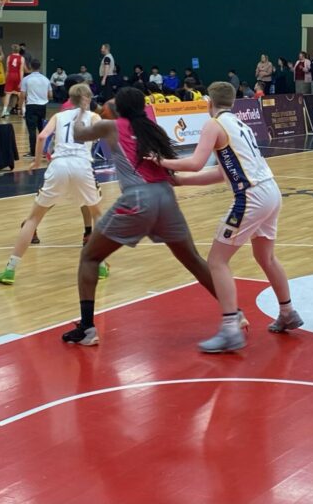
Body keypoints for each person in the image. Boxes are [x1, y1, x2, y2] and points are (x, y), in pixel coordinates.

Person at [148, 81, 301, 353]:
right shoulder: (239, 124)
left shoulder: (214, 124)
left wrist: (162, 162)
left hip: (251, 195)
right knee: (266, 257)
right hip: (271, 191)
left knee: (217, 260)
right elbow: (222, 173)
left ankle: (231, 328)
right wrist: (181, 182)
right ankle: (288, 312)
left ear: (208, 101)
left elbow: (195, 162)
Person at [61, 87, 221, 346]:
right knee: (192, 259)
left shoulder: (110, 126)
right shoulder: (153, 128)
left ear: (120, 108)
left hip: (137, 198)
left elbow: (79, 133)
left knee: (90, 257)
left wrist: (82, 106)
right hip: (165, 197)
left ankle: (88, 329)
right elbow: (168, 173)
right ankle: (233, 314)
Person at [0, 82, 107, 285]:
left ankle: (10, 269)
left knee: (33, 219)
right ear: (88, 99)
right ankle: (100, 264)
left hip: (59, 165)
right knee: (98, 214)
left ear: (69, 100)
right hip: (82, 166)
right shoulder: (94, 117)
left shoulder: (58, 116)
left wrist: (37, 162)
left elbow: (41, 136)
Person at [20, 58, 51, 158]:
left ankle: (33, 152)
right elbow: (50, 95)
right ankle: (44, 150)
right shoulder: (46, 79)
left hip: (31, 106)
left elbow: (22, 95)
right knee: (42, 129)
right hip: (42, 107)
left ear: (30, 67)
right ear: (39, 67)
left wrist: (20, 108)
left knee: (32, 130)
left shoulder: (26, 79)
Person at [3, 44, 25, 118]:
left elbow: (7, 69)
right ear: (19, 50)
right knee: (20, 94)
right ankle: (24, 111)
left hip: (10, 75)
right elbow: (21, 70)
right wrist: (21, 81)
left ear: (12, 50)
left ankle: (4, 111)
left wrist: (6, 79)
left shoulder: (9, 57)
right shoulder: (22, 58)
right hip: (17, 76)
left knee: (8, 94)